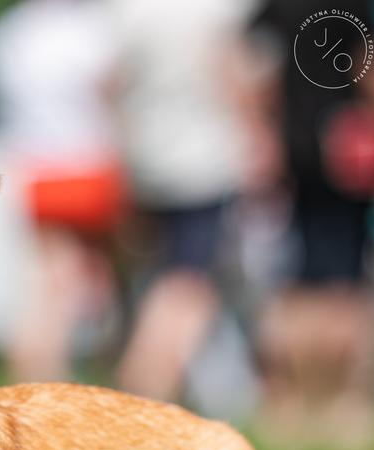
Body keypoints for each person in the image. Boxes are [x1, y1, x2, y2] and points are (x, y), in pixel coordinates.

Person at [108, 0, 261, 404]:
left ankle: (145, 385)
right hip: (204, 162)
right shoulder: (216, 9)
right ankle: (147, 392)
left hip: (148, 160)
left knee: (162, 277)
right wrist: (259, 138)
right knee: (189, 286)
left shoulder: (129, 10)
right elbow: (232, 74)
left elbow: (114, 85)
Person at [246, 0, 374, 450]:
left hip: (296, 153)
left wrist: (262, 130)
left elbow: (249, 63)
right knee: (344, 284)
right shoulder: (353, 4)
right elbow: (369, 72)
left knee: (299, 281)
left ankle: (295, 403)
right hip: (346, 156)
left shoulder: (276, 6)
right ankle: (340, 406)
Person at [0, 0, 124, 383]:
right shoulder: (91, 28)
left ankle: (34, 370)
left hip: (33, 170)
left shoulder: (9, 32)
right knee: (84, 279)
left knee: (46, 282)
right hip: (88, 166)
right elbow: (111, 93)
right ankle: (57, 374)